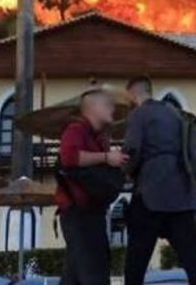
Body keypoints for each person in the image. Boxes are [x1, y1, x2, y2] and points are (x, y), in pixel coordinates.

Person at [123, 76, 196, 285]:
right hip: (183, 192)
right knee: (193, 255)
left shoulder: (139, 115)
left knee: (137, 258)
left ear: (133, 94)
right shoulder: (176, 113)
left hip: (152, 192)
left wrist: (124, 171)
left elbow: (132, 151)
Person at [56, 87, 128, 285]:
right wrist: (106, 157)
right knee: (94, 272)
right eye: (107, 105)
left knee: (74, 276)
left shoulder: (99, 138)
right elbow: (69, 157)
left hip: (91, 214)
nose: (112, 108)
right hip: (79, 213)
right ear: (93, 108)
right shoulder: (76, 130)